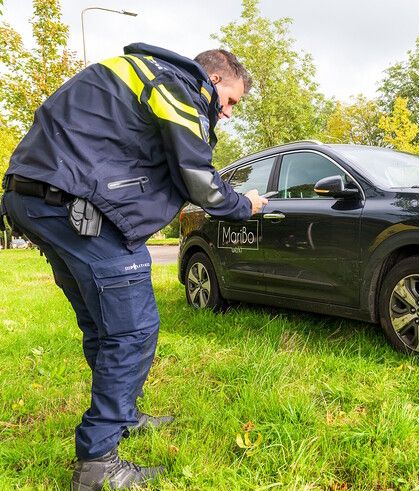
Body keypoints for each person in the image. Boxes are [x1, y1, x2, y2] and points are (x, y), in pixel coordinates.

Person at [1, 43, 268, 490]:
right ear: (215, 79)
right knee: (133, 329)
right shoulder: (179, 86)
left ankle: (123, 414)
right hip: (75, 205)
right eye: (230, 103)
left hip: (37, 197)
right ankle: (98, 463)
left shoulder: (139, 73)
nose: (227, 114)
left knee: (104, 326)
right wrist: (244, 203)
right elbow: (196, 176)